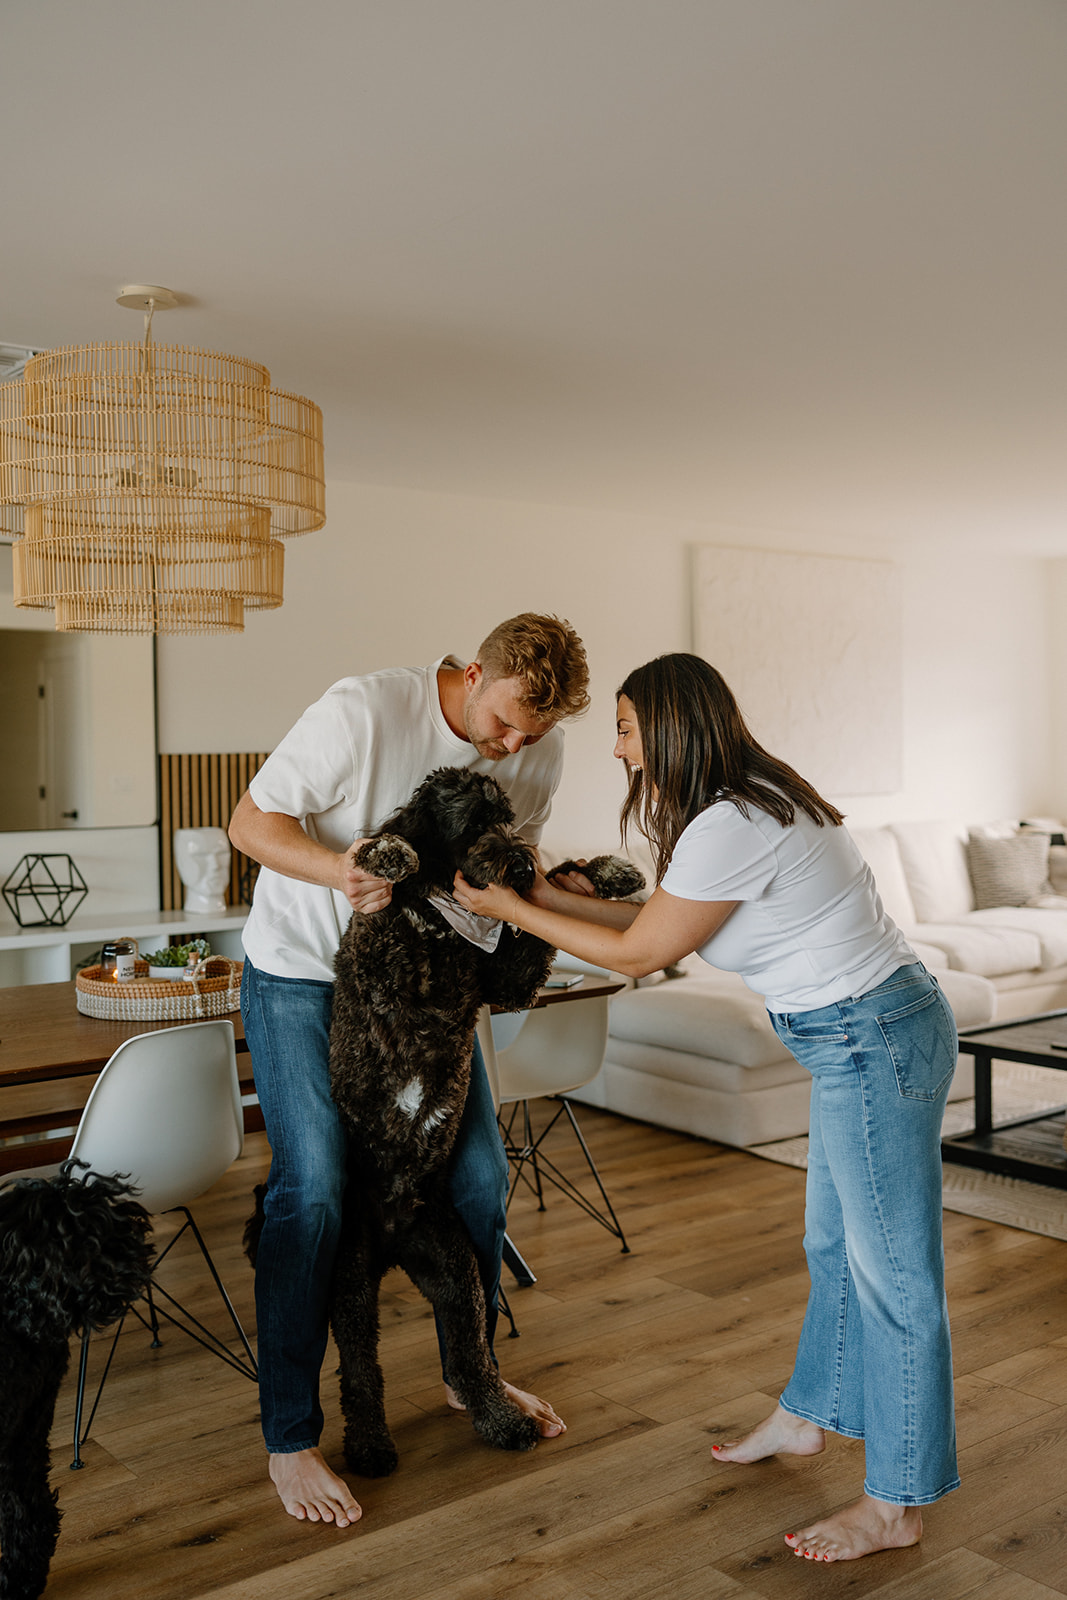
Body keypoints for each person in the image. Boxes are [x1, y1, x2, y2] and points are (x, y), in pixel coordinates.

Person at [452, 651, 960, 1564]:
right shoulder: (752, 801)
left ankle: (896, 1503)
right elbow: (665, 924)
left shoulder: (732, 820)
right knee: (832, 1248)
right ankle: (809, 1415)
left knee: (895, 1279)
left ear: (669, 726)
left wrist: (510, 908)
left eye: (622, 728)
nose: (615, 749)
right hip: (863, 1034)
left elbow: (639, 957)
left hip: (871, 1038)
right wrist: (536, 896)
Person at [228, 614, 589, 1529]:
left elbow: (508, 884)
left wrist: (557, 891)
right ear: (473, 674)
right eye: (505, 722)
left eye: (532, 736)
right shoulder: (364, 711)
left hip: (424, 995)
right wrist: (336, 867)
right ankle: (290, 1436)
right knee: (313, 1192)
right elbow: (249, 823)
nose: (512, 748)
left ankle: (473, 1374)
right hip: (303, 978)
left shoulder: (534, 756)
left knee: (478, 1179)